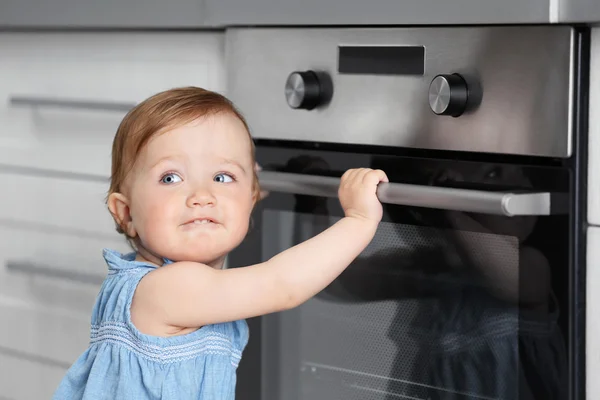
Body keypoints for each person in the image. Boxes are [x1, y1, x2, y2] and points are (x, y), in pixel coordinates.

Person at [52, 86, 388, 400]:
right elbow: (281, 284)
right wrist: (358, 220)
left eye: (221, 178)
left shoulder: (140, 280)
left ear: (251, 198)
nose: (202, 196)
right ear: (125, 213)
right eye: (171, 178)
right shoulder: (170, 288)